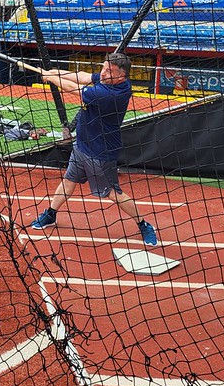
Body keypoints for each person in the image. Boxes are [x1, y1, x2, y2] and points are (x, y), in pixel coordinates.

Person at [29, 52, 158, 246]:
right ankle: (51, 214)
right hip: (82, 144)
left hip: (100, 151)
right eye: (104, 67)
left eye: (109, 70)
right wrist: (54, 72)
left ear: (121, 76)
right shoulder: (108, 79)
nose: (103, 72)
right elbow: (82, 76)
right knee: (69, 181)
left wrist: (52, 79)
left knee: (113, 193)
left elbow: (76, 88)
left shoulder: (112, 94)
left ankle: (143, 224)